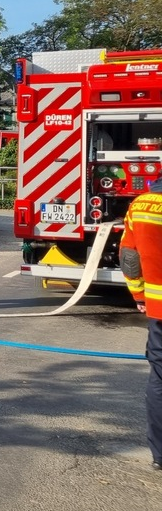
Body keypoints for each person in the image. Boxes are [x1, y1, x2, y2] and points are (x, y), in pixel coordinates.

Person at [119, 180, 162, 472]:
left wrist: (138, 294)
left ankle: (160, 454)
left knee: (159, 378)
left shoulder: (141, 205)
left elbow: (129, 257)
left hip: (159, 307)